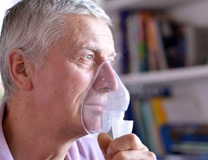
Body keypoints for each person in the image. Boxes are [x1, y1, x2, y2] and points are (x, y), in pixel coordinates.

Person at [0, 0, 156, 159]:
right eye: (87, 57)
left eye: (110, 62)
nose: (112, 83)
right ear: (22, 69)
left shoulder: (97, 154)